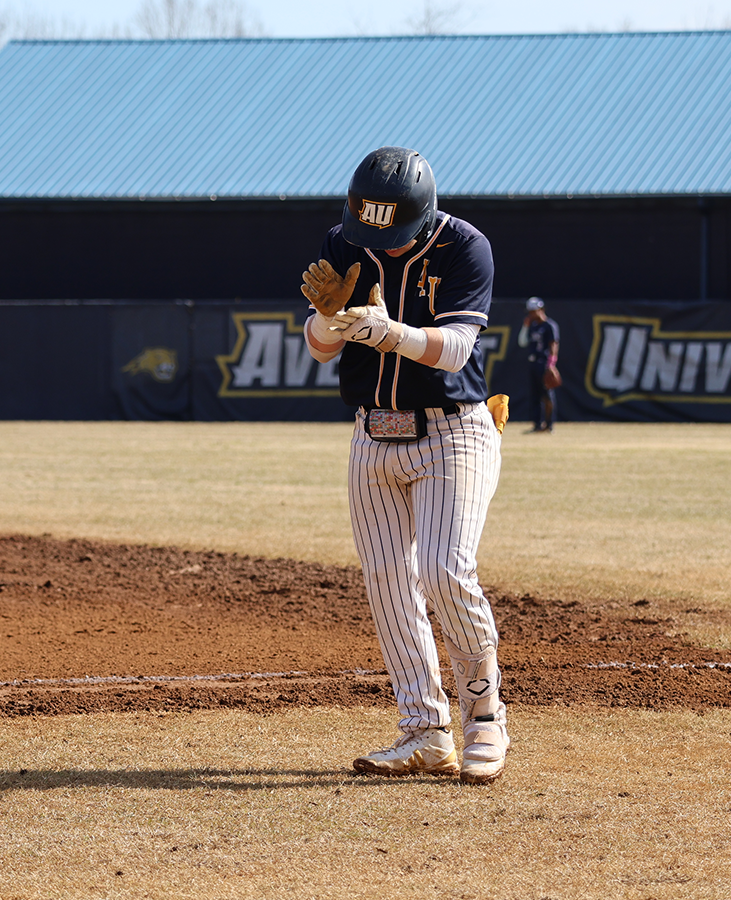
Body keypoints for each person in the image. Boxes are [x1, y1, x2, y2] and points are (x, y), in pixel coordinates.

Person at [298, 146, 511, 785]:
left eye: (390, 232)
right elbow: (316, 348)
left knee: (445, 571)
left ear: (424, 215)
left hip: (453, 434)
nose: (378, 244)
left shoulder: (466, 248)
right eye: (369, 230)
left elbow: (455, 352)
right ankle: (423, 731)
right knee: (389, 585)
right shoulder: (345, 242)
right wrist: (332, 321)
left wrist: (386, 331)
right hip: (371, 436)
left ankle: (485, 719)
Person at [519, 297, 560, 432]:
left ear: (541, 309)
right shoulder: (532, 326)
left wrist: (551, 364)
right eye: (530, 311)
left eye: (533, 311)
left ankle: (549, 424)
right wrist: (525, 326)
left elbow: (553, 345)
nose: (531, 314)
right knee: (535, 395)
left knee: (547, 394)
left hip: (544, 363)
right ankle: (537, 425)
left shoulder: (549, 325)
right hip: (533, 362)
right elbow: (522, 342)